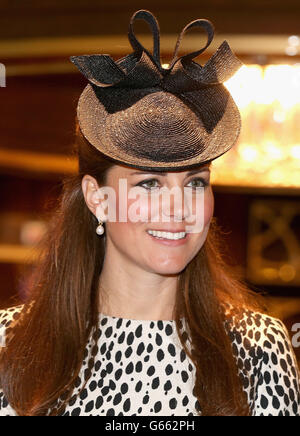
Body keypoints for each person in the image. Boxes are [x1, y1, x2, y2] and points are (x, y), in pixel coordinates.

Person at [0, 9, 299, 417]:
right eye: (149, 183)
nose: (179, 209)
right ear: (97, 198)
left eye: (195, 182)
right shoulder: (10, 344)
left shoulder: (258, 350)